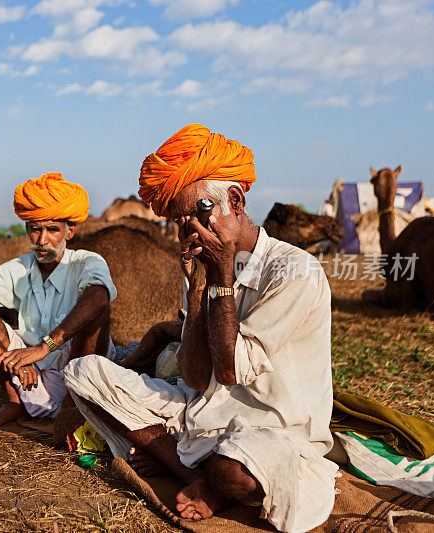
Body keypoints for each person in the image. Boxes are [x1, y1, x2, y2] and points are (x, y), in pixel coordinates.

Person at [62, 124, 337, 532]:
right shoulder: (204, 264)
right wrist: (197, 291)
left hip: (271, 426)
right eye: (180, 218)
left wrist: (222, 272)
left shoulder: (294, 271)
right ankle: (191, 474)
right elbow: (194, 375)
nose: (189, 226)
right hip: (199, 410)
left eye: (201, 210)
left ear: (236, 201)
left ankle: (193, 468)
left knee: (234, 472)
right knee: (83, 372)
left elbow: (229, 370)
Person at [0, 172, 117, 430]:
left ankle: (72, 406)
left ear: (69, 231)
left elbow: (99, 298)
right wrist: (2, 354)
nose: (42, 240)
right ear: (26, 230)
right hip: (27, 372)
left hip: (81, 370)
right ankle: (14, 400)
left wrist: (43, 348)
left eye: (52, 230)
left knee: (95, 309)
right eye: (35, 229)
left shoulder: (87, 261)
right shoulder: (18, 268)